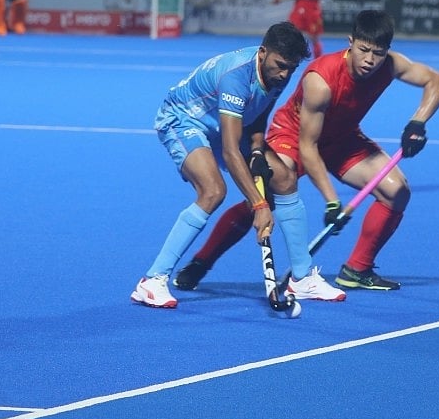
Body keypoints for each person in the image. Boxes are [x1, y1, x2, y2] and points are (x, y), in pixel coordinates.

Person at [176, 10, 439, 292]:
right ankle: (202, 262)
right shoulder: (321, 78)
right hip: (294, 137)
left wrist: (418, 122)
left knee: (397, 191)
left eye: (378, 53)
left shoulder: (391, 64)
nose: (369, 60)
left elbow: (438, 81)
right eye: (363, 50)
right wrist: (332, 201)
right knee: (265, 197)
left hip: (342, 138)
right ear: (351, 42)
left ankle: (357, 269)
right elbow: (308, 147)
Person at [132, 21, 345, 309]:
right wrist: (259, 205)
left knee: (284, 178)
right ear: (262, 53)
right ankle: (152, 280)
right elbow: (231, 152)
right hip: (184, 119)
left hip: (228, 124)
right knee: (213, 190)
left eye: (291, 69)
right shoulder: (236, 76)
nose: (285, 74)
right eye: (281, 66)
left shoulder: (277, 73)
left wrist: (257, 151)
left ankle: (302, 278)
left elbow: (257, 117)